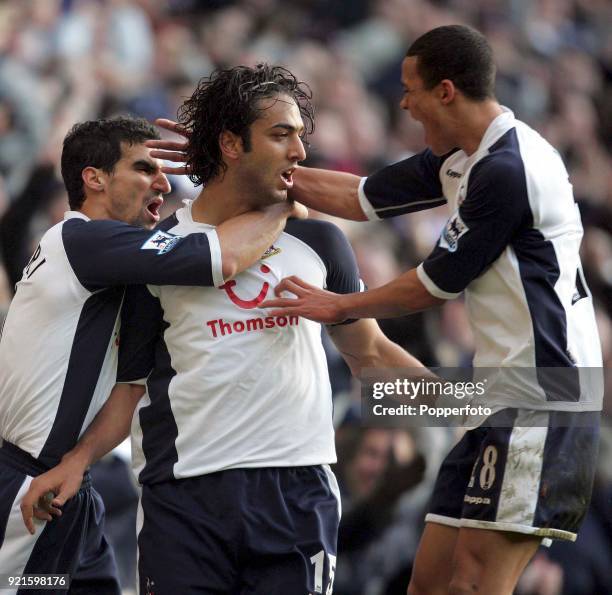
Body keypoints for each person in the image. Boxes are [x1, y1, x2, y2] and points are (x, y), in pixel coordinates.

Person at [21, 64, 426, 595]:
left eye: (300, 136)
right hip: (183, 503)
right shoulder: (158, 254)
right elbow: (131, 386)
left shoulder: (319, 244)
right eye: (281, 135)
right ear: (232, 145)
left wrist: (495, 405)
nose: (299, 152)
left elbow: (371, 356)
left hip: (296, 494)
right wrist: (77, 462)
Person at [253, 26, 602, 595]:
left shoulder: (508, 170)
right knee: (431, 581)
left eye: (410, 89)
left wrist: (340, 304)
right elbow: (361, 198)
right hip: (494, 391)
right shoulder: (466, 157)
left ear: (445, 91)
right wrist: (259, 170)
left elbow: (433, 285)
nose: (403, 102)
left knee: (474, 583)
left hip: (545, 393)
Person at [0, 115, 303, 594]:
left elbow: (129, 391)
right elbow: (219, 258)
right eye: (144, 169)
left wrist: (79, 460)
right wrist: (284, 200)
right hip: (24, 489)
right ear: (94, 178)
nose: (162, 181)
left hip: (70, 487)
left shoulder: (129, 276)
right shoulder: (81, 239)